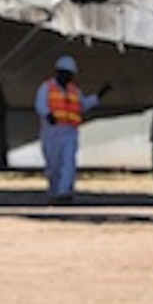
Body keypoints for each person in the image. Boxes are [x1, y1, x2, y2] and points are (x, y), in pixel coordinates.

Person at [35, 55, 110, 204]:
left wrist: (100, 94)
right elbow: (40, 104)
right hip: (52, 132)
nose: (68, 77)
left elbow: (83, 105)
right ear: (59, 72)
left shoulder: (74, 90)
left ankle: (65, 192)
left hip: (69, 132)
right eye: (66, 74)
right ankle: (54, 192)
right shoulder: (47, 87)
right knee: (53, 165)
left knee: (68, 162)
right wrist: (47, 114)